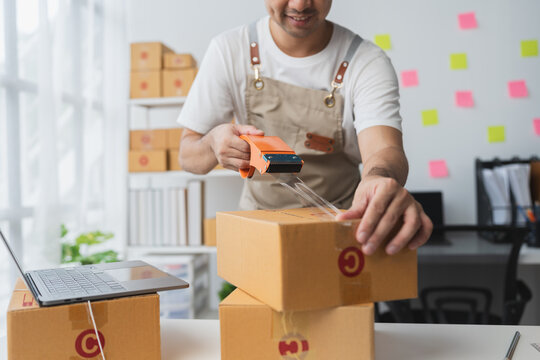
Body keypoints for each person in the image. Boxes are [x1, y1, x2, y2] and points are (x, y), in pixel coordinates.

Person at [177, 0, 433, 255]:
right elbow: (188, 155)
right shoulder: (229, 50)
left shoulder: (366, 61)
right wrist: (212, 144)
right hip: (259, 234)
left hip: (342, 234)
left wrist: (378, 177)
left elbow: (385, 149)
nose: (300, 5)